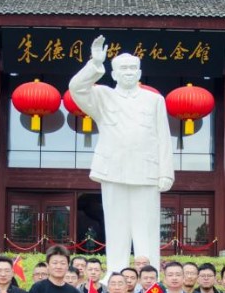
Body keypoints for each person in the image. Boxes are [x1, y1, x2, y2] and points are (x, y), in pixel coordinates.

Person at [69, 35, 174, 276]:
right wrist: (95, 64)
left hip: (147, 171)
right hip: (113, 170)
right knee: (116, 226)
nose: (128, 72)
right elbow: (76, 88)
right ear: (114, 74)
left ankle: (149, 277)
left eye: (132, 68)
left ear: (139, 73)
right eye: (123, 69)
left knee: (146, 227)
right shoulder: (103, 96)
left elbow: (163, 137)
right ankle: (116, 276)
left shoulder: (154, 100)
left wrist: (166, 173)